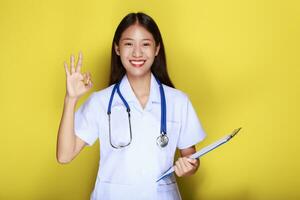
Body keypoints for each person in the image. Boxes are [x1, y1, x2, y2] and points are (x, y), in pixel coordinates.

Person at [56, 12, 206, 200]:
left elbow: (191, 157)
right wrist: (70, 99)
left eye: (145, 44)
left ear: (157, 48)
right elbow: (64, 155)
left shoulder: (178, 101)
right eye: (128, 44)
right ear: (117, 49)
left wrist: (189, 168)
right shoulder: (100, 102)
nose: (137, 53)